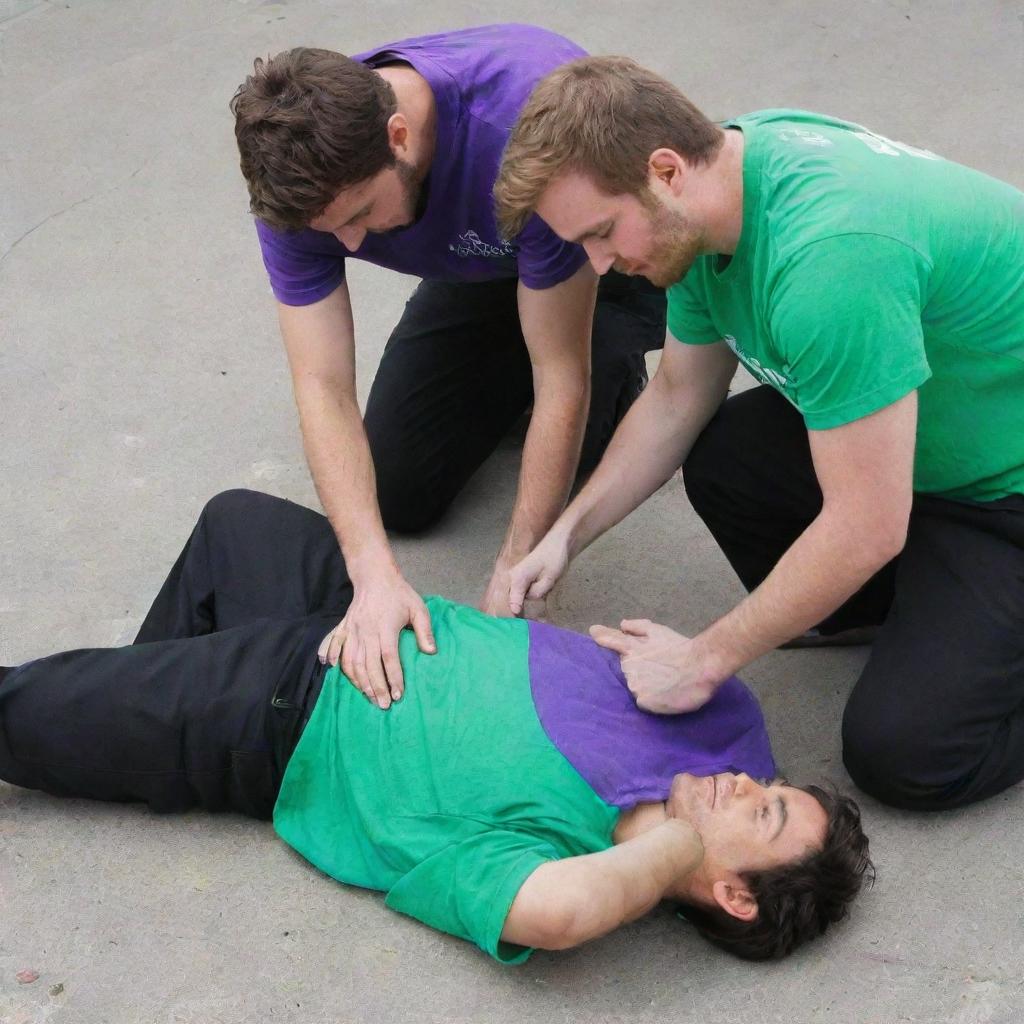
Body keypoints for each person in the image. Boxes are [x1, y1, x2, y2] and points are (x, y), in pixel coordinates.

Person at [0, 490, 871, 963]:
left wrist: (684, 841)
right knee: (238, 525)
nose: (753, 784)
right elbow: (698, 671)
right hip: (368, 617)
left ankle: (129, 722)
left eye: (762, 815)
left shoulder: (565, 862)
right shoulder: (728, 736)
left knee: (21, 712)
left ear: (734, 893)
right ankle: (128, 723)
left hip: (288, 718)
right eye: (774, 787)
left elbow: (563, 917)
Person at [493, 57, 1024, 812]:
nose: (601, 265)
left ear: (666, 170)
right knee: (726, 453)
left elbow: (869, 525)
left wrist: (705, 660)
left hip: (1007, 488)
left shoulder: (829, 262)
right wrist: (564, 535)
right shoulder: (724, 181)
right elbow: (678, 394)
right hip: (923, 441)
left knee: (907, 753)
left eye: (603, 233)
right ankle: (896, 612)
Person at [229, 26, 666, 711]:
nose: (346, 244)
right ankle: (498, 358)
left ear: (399, 137)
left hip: (593, 249)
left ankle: (621, 357)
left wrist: (516, 569)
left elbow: (560, 373)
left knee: (590, 430)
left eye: (361, 214)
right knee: (398, 492)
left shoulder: (520, 129)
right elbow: (321, 383)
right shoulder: (298, 193)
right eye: (327, 232)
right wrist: (370, 574)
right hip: (473, 262)